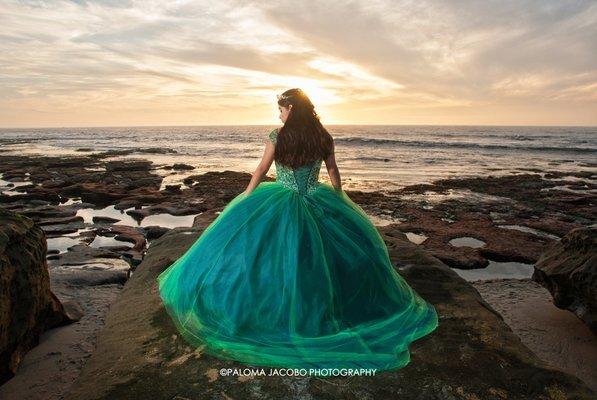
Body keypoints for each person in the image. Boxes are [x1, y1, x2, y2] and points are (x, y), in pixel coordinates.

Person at [156, 88, 438, 372]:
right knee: (321, 258)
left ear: (291, 108)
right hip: (316, 196)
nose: (279, 114)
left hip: (281, 197)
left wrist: (246, 197)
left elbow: (261, 169)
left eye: (281, 109)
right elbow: (333, 172)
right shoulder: (323, 137)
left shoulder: (278, 135)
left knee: (264, 256)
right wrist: (341, 200)